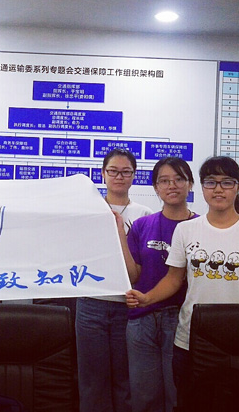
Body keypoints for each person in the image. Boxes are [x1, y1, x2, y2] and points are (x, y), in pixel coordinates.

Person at [126, 155, 239, 411]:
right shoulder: (186, 230)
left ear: (237, 186)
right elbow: (173, 279)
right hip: (190, 339)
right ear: (201, 186)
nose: (218, 189)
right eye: (211, 182)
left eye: (226, 182)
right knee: (191, 403)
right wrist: (147, 298)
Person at [117, 157, 197, 412]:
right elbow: (134, 275)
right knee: (143, 396)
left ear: (190, 184)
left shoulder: (201, 227)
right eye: (164, 180)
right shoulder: (142, 225)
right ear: (156, 187)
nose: (172, 185)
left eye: (179, 179)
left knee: (178, 394)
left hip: (183, 320)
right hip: (142, 319)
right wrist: (119, 234)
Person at [77, 148, 152, 412]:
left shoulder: (145, 214)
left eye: (126, 172)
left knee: (126, 379)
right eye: (113, 171)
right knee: (92, 380)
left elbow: (144, 265)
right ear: (103, 174)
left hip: (129, 306)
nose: (119, 177)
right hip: (91, 303)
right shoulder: (87, 211)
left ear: (134, 176)